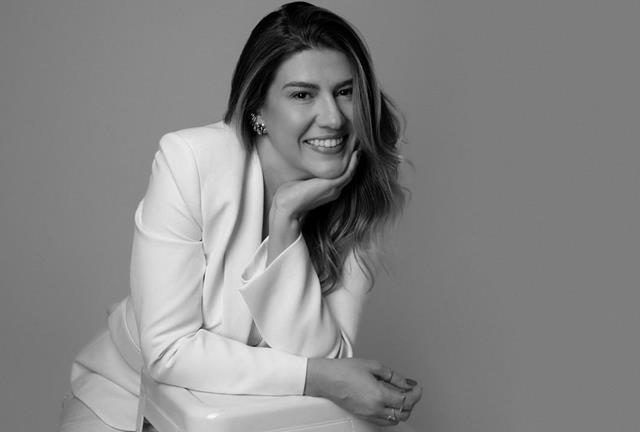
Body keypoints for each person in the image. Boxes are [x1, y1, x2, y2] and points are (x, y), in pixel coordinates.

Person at [58, 2, 422, 431]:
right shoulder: (191, 161)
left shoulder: (358, 196)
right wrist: (315, 376)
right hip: (132, 400)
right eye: (302, 94)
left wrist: (286, 221)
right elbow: (169, 351)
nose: (333, 117)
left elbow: (327, 358)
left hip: (246, 416)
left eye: (345, 91)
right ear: (258, 111)